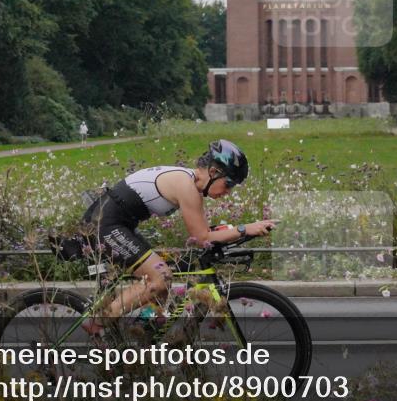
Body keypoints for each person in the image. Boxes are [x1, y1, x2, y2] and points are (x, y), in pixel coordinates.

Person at [79, 139, 276, 335]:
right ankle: (98, 321)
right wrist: (244, 229)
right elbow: (202, 237)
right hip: (104, 224)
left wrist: (234, 231)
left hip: (119, 224)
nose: (228, 192)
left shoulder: (190, 184)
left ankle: (141, 337)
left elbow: (205, 232)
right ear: (214, 172)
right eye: (229, 184)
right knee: (161, 277)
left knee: (166, 283)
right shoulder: (186, 186)